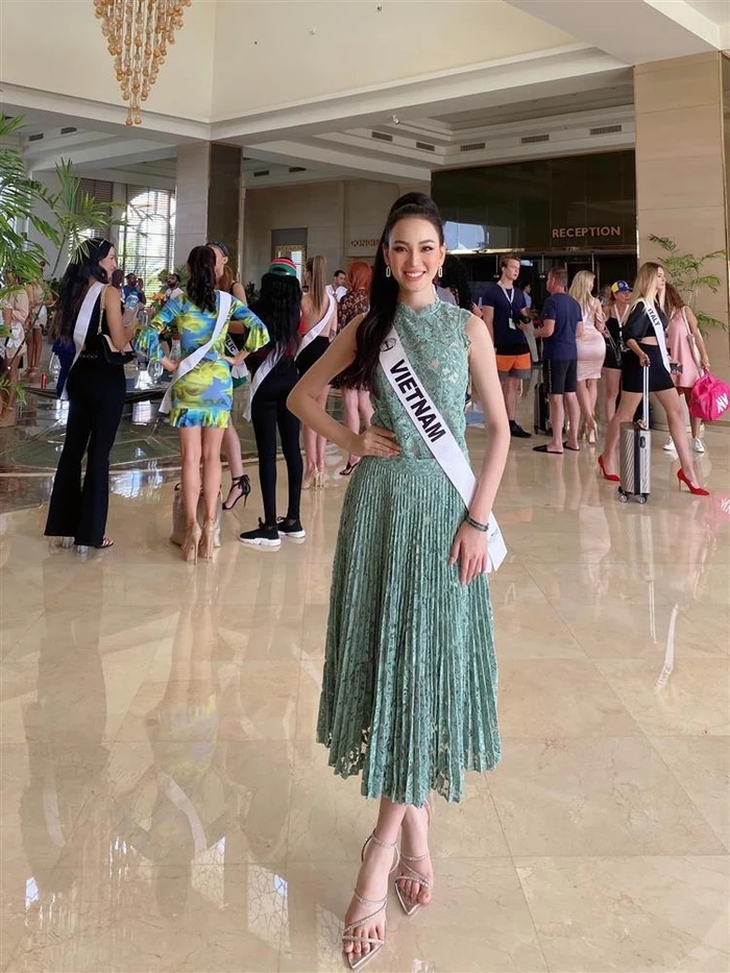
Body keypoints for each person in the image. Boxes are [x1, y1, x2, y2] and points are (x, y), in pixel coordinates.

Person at [288, 192, 510, 970]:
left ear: (442, 255)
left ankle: (379, 854)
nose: (413, 260)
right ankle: (415, 833)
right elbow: (300, 396)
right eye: (400, 247)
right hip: (381, 509)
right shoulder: (367, 328)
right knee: (396, 662)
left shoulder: (467, 327)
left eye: (426, 247)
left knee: (423, 666)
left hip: (446, 514)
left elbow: (499, 431)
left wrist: (478, 519)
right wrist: (354, 440)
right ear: (385, 255)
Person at [137, 246, 269, 562]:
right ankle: (210, 525)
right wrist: (237, 357)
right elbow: (260, 330)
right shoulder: (227, 302)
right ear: (215, 270)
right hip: (218, 384)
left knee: (190, 458)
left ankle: (191, 528)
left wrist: (168, 364)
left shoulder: (179, 301)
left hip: (188, 383)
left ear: (189, 269)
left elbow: (146, 336)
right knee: (212, 458)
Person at [43, 239, 129, 549]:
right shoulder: (108, 292)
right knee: (99, 455)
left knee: (72, 448)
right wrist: (134, 324)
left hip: (80, 376)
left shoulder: (72, 292)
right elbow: (119, 341)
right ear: (96, 260)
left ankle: (63, 525)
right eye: (111, 258)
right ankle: (91, 533)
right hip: (106, 379)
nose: (115, 263)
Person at [598, 262, 709, 495]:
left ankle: (688, 470)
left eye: (663, 276)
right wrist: (640, 354)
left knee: (676, 411)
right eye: (659, 276)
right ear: (649, 278)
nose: (663, 279)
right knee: (625, 414)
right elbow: (629, 336)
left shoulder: (656, 305)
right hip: (641, 363)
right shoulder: (641, 306)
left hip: (658, 362)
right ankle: (607, 457)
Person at [239, 258, 305, 548]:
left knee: (267, 455)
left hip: (264, 386)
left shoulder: (254, 312)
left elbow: (245, 345)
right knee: (292, 451)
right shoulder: (297, 312)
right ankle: (293, 520)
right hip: (291, 382)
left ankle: (269, 526)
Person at [207, 241, 252, 511]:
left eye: (214, 256)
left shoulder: (233, 287)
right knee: (216, 422)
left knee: (221, 420)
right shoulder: (202, 287)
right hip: (205, 362)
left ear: (224, 259)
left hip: (226, 361)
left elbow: (246, 324)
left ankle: (236, 479)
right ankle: (227, 478)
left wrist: (215, 322)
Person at [531, 266, 583, 454]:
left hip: (555, 354)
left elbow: (548, 330)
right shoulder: (574, 303)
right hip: (571, 353)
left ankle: (557, 442)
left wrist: (533, 333)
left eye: (548, 279)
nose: (547, 283)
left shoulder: (551, 302)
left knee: (555, 397)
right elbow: (580, 331)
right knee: (571, 395)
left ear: (553, 281)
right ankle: (574, 440)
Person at [481, 253, 532, 438]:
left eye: (518, 268)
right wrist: (490, 345)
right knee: (498, 385)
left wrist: (525, 322)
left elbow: (524, 316)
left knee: (514, 384)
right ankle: (497, 421)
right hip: (501, 345)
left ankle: (511, 422)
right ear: (503, 268)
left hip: (519, 343)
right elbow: (488, 320)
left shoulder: (519, 294)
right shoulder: (492, 292)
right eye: (512, 267)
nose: (516, 271)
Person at [298, 255, 337, 488]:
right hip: (325, 353)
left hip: (307, 354)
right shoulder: (332, 301)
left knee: (308, 415)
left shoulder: (303, 301)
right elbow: (333, 332)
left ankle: (310, 467)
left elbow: (299, 330)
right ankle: (321, 467)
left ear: (308, 273)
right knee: (320, 412)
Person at [664, 281, 711, 454]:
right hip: (673, 363)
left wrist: (704, 356)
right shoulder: (662, 316)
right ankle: (673, 436)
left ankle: (696, 438)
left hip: (689, 362)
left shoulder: (684, 311)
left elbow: (696, 335)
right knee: (672, 402)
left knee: (693, 401)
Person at [337, 261, 373, 476]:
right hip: (368, 357)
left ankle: (354, 456)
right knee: (366, 404)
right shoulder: (373, 300)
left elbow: (341, 331)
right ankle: (377, 449)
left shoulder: (347, 300)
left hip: (350, 357)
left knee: (350, 405)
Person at [569, 269, 608, 444]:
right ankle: (587, 424)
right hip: (597, 344)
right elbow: (601, 327)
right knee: (593, 382)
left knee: (580, 382)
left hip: (580, 344)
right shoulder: (595, 302)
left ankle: (589, 420)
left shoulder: (571, 301)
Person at [0, 269, 30, 424]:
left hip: (15, 335)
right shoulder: (5, 290)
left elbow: (24, 315)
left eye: (9, 272)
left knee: (12, 371)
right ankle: (3, 400)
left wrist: (9, 312)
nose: (6, 275)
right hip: (3, 333)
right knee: (3, 370)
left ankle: (10, 405)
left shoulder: (20, 292)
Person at [602, 280, 631, 425]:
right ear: (615, 294)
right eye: (623, 293)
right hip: (613, 353)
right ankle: (611, 424)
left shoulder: (632, 310)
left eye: (628, 292)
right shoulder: (608, 310)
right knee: (612, 392)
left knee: (628, 391)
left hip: (629, 353)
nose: (627, 295)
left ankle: (625, 421)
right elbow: (598, 326)